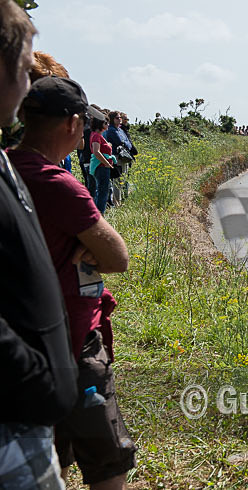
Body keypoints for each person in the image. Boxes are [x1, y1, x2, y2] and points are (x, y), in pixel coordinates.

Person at [9, 75, 135, 490]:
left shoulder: (6, 167)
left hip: (23, 340)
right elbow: (118, 257)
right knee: (107, 463)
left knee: (52, 453)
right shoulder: (59, 184)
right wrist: (87, 248)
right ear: (72, 124)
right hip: (74, 336)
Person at [0, 2, 78, 488]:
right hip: (13, 423)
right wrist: (34, 375)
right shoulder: (48, 174)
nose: (29, 84)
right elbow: (116, 256)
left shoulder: (8, 157)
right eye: (25, 68)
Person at [103, 111, 134, 204]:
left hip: (124, 157)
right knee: (118, 180)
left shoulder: (120, 130)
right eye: (117, 118)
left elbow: (128, 142)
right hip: (117, 157)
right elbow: (120, 141)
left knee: (123, 179)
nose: (120, 119)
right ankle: (117, 202)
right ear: (112, 119)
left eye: (120, 117)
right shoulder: (111, 130)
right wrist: (126, 143)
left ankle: (120, 200)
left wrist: (126, 144)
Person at [88, 116, 114, 214]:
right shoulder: (96, 136)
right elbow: (96, 151)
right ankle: (99, 213)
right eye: (106, 123)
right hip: (101, 167)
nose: (108, 125)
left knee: (102, 189)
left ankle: (98, 212)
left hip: (102, 166)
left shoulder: (98, 135)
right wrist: (106, 163)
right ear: (100, 124)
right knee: (102, 190)